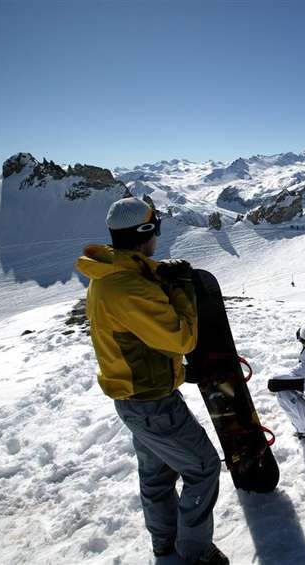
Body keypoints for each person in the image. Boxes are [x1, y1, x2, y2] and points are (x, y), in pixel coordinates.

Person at [75, 197, 227, 565]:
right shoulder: (129, 287)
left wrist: (160, 275)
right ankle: (196, 552)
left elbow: (139, 336)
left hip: (136, 399)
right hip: (152, 404)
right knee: (203, 467)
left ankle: (165, 543)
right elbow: (181, 339)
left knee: (158, 475)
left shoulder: (110, 275)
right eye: (156, 227)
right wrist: (181, 288)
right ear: (146, 232)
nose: (159, 235)